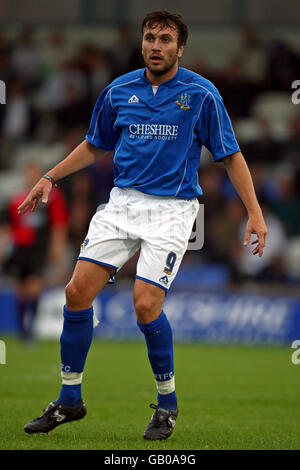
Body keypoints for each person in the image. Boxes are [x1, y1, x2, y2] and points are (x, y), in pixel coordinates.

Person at [19, 11, 267, 440]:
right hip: (122, 203)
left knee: (145, 304)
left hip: (173, 209)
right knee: (76, 291)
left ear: (180, 47)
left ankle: (166, 404)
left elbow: (230, 155)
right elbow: (94, 145)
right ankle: (69, 400)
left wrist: (255, 212)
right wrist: (49, 177)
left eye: (166, 39)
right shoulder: (119, 90)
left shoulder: (201, 94)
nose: (156, 45)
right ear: (142, 43)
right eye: (150, 37)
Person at [0, 162, 69, 344]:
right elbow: (7, 227)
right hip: (19, 249)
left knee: (35, 287)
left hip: (39, 248)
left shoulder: (52, 198)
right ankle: (22, 331)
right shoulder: (16, 198)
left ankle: (31, 330)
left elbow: (59, 225)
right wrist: (3, 248)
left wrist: (57, 247)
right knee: (20, 290)